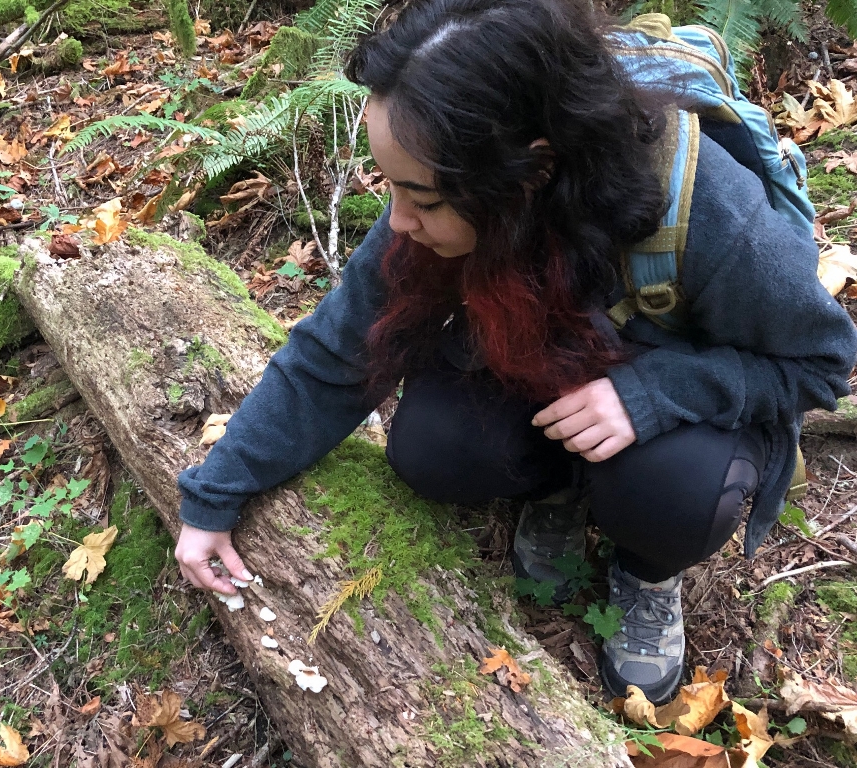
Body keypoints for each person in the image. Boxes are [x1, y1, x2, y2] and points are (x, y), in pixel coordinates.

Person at [173, 0, 857, 703]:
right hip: (556, 372)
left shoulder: (709, 209)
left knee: (675, 492)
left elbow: (821, 361)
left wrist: (654, 395)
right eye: (390, 191)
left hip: (680, 407)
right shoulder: (451, 171)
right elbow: (335, 350)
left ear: (531, 171)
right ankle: (553, 488)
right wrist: (214, 495)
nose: (399, 222)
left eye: (422, 200)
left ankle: (648, 571)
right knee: (434, 446)